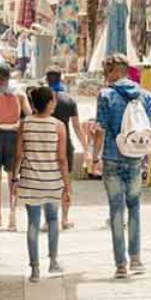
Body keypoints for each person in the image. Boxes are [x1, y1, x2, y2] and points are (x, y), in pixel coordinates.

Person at [95, 54, 151, 279]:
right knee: (134, 208)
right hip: (136, 158)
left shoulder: (105, 95)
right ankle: (136, 259)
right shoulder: (145, 95)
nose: (105, 77)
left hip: (112, 159)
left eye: (106, 72)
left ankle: (120, 265)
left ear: (114, 71)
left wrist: (94, 157)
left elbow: (100, 130)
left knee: (116, 210)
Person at [11, 87, 69, 282]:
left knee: (33, 224)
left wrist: (13, 179)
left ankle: (35, 269)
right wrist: (67, 186)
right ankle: (53, 262)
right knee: (53, 220)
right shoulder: (59, 126)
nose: (55, 103)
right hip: (52, 182)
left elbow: (18, 155)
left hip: (30, 182)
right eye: (53, 100)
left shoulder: (24, 124)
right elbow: (62, 159)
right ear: (49, 103)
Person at [0, 63, 32, 230]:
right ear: (10, 75)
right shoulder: (19, 94)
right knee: (12, 177)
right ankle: (12, 215)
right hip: (14, 136)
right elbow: (29, 115)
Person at [46, 69, 86, 230]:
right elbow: (76, 126)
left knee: (47, 183)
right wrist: (85, 146)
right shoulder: (69, 100)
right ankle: (64, 218)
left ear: (47, 80)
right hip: (65, 145)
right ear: (61, 79)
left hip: (46, 145)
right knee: (66, 183)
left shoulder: (42, 99)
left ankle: (47, 220)